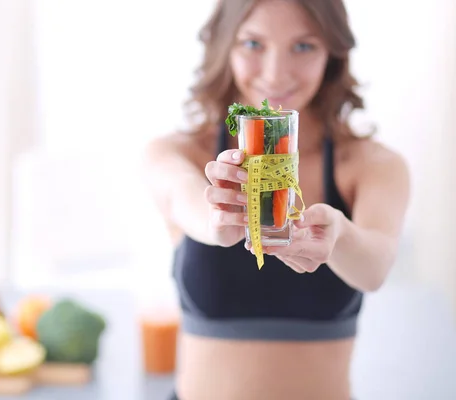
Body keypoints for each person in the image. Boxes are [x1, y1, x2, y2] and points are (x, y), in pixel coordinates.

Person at [143, 0, 410, 399]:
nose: (275, 74)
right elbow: (183, 197)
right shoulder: (179, 152)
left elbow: (374, 268)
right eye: (253, 44)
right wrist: (219, 220)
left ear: (332, 54)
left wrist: (338, 235)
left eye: (303, 47)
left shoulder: (373, 165)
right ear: (225, 47)